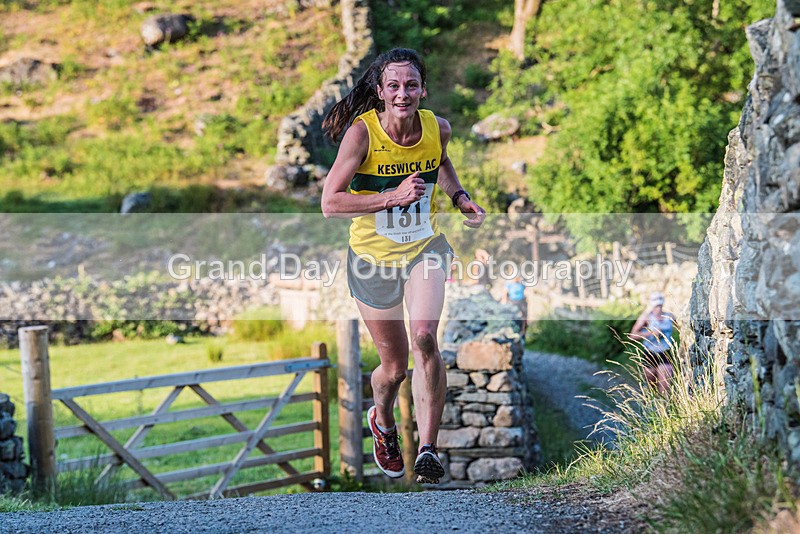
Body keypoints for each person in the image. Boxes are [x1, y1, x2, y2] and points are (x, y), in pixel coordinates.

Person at [320, 48, 486, 483]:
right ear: (380, 91)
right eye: (393, 86)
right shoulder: (362, 134)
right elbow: (330, 203)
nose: (402, 94)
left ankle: (428, 448)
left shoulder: (438, 128)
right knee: (393, 370)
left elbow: (439, 162)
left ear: (423, 89)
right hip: (372, 261)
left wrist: (459, 197)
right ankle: (383, 421)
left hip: (424, 250)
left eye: (411, 85)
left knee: (425, 337)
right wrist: (391, 197)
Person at [629, 292, 675, 393]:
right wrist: (650, 333)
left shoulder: (670, 316)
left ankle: (664, 402)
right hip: (650, 353)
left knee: (665, 386)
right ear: (651, 304)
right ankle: (652, 401)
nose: (658, 308)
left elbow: (681, 330)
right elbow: (632, 336)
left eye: (660, 306)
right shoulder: (646, 317)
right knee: (651, 386)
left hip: (665, 352)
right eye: (656, 306)